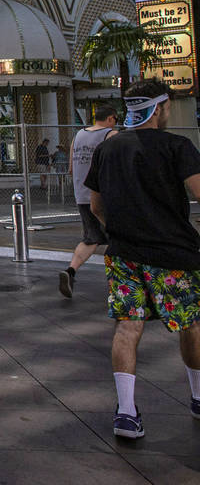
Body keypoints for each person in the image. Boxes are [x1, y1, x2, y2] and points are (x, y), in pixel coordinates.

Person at [82, 79, 200, 438]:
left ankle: (127, 412)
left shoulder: (108, 148)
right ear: (160, 108)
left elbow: (95, 206)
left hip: (123, 254)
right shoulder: (178, 146)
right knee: (190, 324)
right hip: (173, 254)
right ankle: (197, 396)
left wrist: (123, 225)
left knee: (127, 326)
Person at [60, 104, 118, 298]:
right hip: (105, 196)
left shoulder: (78, 136)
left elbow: (70, 169)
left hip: (82, 195)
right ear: (110, 119)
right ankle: (118, 281)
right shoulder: (110, 135)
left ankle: (71, 271)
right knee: (120, 237)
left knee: (91, 238)